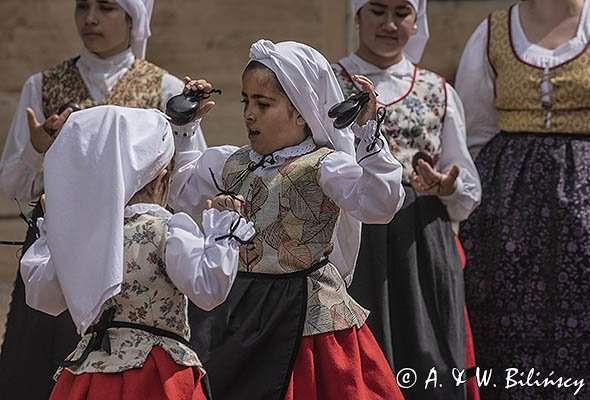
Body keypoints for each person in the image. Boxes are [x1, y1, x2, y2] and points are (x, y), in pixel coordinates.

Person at [170, 40, 406, 399]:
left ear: (301, 112)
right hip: (239, 314)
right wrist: (186, 128)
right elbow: (181, 191)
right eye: (246, 101)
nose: (250, 114)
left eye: (263, 104)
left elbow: (380, 204)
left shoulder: (325, 166)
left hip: (306, 317)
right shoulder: (231, 163)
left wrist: (367, 132)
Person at [0, 1, 207, 397]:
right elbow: (13, 185)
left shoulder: (163, 88)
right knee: (39, 363)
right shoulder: (41, 84)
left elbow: (184, 184)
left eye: (107, 8)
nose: (91, 18)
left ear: (134, 18)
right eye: (83, 7)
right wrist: (38, 150)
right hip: (62, 247)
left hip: (141, 254)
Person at [20, 105, 254, 400]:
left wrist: (52, 230)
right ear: (161, 177)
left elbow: (42, 297)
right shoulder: (169, 230)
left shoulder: (84, 236)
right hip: (156, 375)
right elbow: (208, 289)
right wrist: (224, 230)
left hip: (91, 376)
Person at [332, 1, 481, 399]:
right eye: (377, 11)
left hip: (421, 242)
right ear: (357, 16)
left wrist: (447, 185)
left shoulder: (437, 90)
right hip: (353, 240)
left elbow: (465, 182)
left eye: (402, 12)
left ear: (417, 22)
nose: (390, 23)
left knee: (427, 355)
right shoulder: (328, 82)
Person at [455, 0, 590, 398]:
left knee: (589, 305)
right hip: (508, 201)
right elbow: (474, 129)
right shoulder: (493, 31)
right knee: (504, 311)